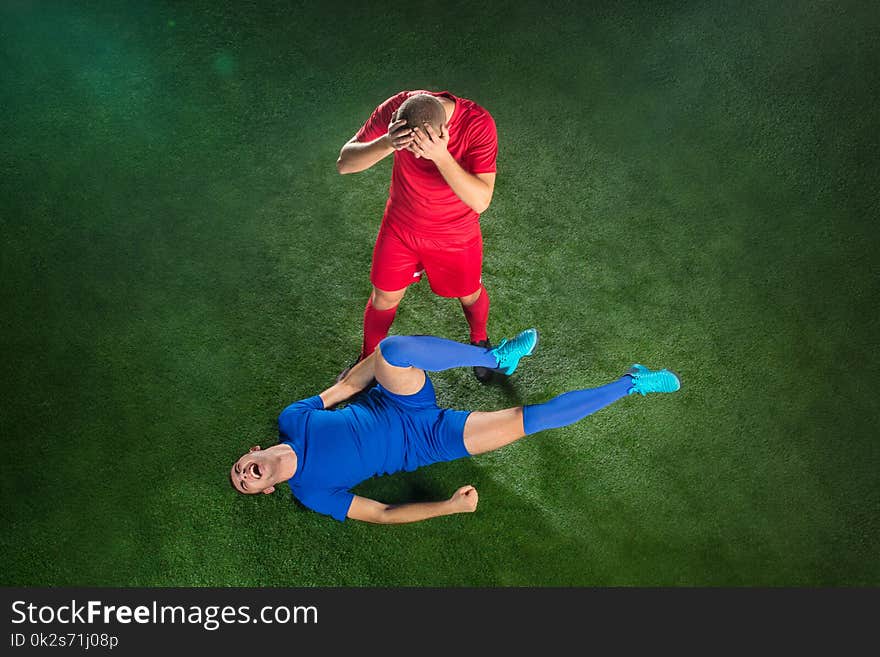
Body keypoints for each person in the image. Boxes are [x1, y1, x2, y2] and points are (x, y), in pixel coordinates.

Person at [230, 331, 681, 524]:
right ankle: (633, 382)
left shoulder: (294, 419)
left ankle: (496, 358)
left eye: (241, 468)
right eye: (247, 485)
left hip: (396, 401)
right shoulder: (311, 491)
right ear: (266, 489)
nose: (247, 475)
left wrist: (383, 362)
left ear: (252, 451)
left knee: (392, 349)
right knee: (531, 420)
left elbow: (347, 385)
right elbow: (382, 514)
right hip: (426, 441)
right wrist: (448, 507)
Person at [336, 90, 499, 382]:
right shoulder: (397, 108)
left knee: (469, 293)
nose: (414, 155)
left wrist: (440, 156)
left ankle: (480, 341)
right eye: (408, 147)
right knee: (383, 297)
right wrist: (387, 142)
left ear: (443, 132)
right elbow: (345, 163)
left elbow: (481, 200)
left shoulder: (478, 123)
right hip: (401, 228)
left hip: (455, 233)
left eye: (420, 147)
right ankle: (367, 360)